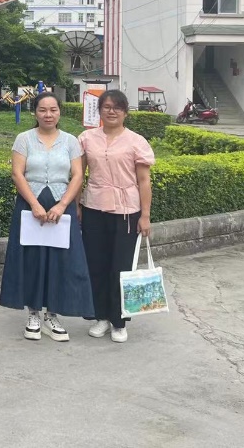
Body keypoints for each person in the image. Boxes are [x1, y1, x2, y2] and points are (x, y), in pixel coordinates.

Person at [0, 92, 94, 342]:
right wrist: (34, 204)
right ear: (35, 112)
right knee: (32, 259)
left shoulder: (71, 141)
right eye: (43, 110)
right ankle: (33, 313)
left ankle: (52, 315)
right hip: (30, 205)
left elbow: (77, 175)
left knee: (60, 260)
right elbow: (17, 174)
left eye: (53, 110)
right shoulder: (24, 139)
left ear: (59, 112)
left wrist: (62, 205)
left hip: (62, 206)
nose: (48, 114)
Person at [78, 89, 155, 344]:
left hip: (127, 211)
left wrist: (145, 215)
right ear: (99, 110)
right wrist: (77, 205)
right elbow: (78, 175)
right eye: (107, 107)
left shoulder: (136, 141)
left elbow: (144, 180)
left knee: (121, 266)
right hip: (94, 207)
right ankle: (101, 316)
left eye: (117, 107)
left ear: (125, 112)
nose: (112, 111)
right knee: (96, 264)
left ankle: (119, 320)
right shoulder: (87, 139)